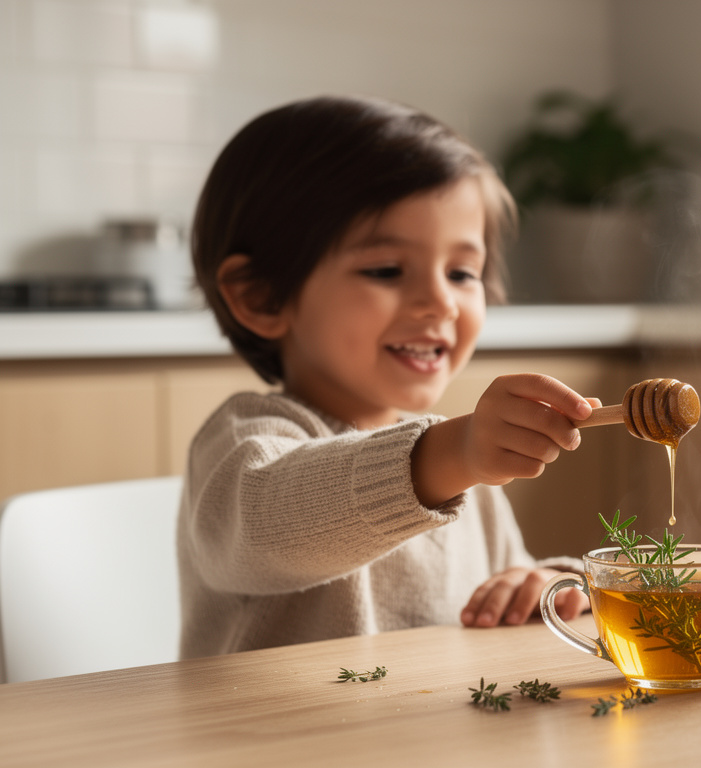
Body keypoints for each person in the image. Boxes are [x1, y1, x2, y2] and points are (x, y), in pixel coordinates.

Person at [178, 95, 592, 659]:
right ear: (261, 296)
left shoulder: (465, 467)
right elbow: (264, 528)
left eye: (462, 272)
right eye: (386, 270)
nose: (440, 302)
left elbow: (509, 596)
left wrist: (543, 587)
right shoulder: (244, 439)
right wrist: (450, 454)